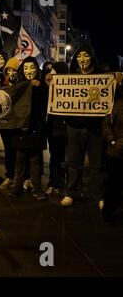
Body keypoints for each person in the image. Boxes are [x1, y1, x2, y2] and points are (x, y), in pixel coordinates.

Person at [60, 45, 105, 207]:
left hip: (95, 128)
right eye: (79, 56)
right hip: (74, 127)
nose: (82, 59)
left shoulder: (102, 78)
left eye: (86, 56)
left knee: (97, 164)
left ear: (92, 58)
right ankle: (72, 193)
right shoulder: (70, 78)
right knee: (73, 162)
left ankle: (99, 196)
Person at [8, 57, 48, 200]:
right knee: (20, 160)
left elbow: (44, 107)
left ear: (37, 69)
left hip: (36, 128)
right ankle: (17, 186)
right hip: (20, 129)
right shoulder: (18, 85)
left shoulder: (42, 85)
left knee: (35, 161)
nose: (29, 71)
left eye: (31, 68)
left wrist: (40, 87)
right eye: (26, 68)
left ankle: (37, 188)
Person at [44, 62, 69, 195]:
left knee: (62, 158)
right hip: (52, 125)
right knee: (55, 156)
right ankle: (54, 182)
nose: (52, 73)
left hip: (63, 126)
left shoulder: (68, 87)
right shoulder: (49, 86)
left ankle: (62, 182)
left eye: (54, 71)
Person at [0, 57, 21, 190]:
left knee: (20, 153)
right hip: (6, 126)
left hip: (19, 126)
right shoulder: (3, 87)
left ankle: (22, 178)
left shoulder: (23, 86)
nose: (11, 73)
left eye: (14, 70)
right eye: (9, 71)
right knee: (9, 152)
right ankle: (9, 176)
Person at [102, 81, 123, 223]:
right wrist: (112, 140)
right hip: (117, 151)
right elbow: (106, 124)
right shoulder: (117, 104)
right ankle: (109, 213)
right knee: (113, 184)